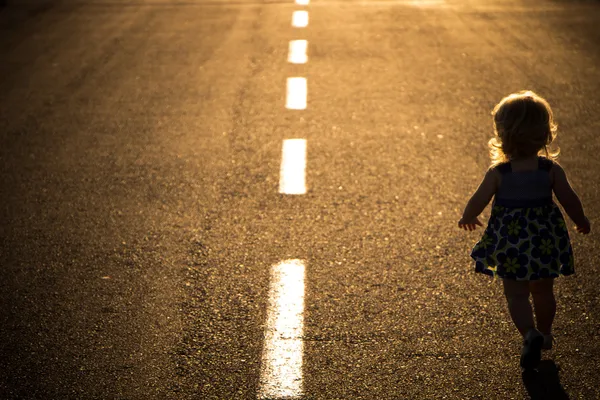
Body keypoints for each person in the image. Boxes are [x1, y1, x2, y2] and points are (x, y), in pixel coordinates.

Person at [457, 90, 591, 370]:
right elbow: (569, 199)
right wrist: (580, 220)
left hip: (510, 244)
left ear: (502, 133)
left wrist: (468, 216)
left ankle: (528, 333)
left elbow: (479, 199)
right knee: (543, 291)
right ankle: (544, 332)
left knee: (516, 294)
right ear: (545, 134)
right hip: (543, 243)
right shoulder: (550, 170)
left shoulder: (499, 173)